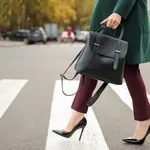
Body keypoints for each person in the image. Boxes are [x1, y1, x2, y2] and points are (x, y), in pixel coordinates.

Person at [52, 0, 150, 145]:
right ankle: (77, 115)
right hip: (106, 13)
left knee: (129, 69)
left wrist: (119, 12)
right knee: (91, 64)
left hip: (125, 15)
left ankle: (144, 121)